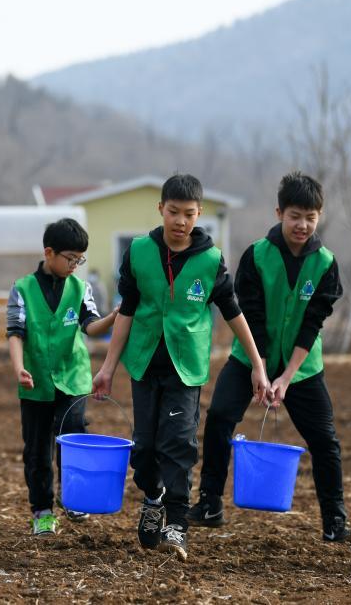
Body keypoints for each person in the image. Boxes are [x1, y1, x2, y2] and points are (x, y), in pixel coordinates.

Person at [91, 173, 268, 561]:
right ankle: (153, 498)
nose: (180, 221)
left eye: (189, 214)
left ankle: (176, 524)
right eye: (174, 212)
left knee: (178, 444)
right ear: (161, 209)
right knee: (144, 448)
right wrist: (108, 367)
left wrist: (257, 364)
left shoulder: (210, 260)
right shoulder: (139, 252)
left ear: (199, 213)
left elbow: (233, 313)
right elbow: (127, 312)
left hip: (184, 369)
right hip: (143, 363)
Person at [188, 172, 349, 542]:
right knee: (220, 417)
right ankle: (210, 503)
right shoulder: (257, 255)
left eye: (310, 217)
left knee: (325, 440)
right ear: (279, 213)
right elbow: (253, 318)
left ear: (319, 217)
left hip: (302, 367)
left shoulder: (325, 264)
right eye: (295, 216)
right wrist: (259, 369)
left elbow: (312, 324)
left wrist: (286, 377)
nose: (302, 225)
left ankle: (335, 520)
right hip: (249, 357)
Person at [7, 218, 119, 536]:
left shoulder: (80, 289)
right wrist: (19, 368)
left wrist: (113, 316)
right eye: (70, 258)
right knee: (37, 448)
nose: (74, 265)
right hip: (36, 379)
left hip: (73, 377)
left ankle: (73, 497)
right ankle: (42, 511)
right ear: (49, 253)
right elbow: (15, 332)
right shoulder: (23, 289)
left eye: (79, 260)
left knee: (73, 437)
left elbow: (91, 326)